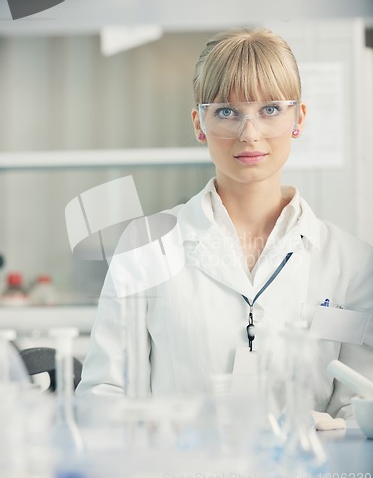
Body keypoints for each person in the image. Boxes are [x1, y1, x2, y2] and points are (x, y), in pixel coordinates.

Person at [76, 28, 373, 423]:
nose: (249, 134)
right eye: (227, 112)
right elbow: (104, 395)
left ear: (298, 118)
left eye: (270, 109)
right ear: (199, 123)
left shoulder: (351, 264)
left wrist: (320, 433)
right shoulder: (145, 246)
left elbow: (360, 407)